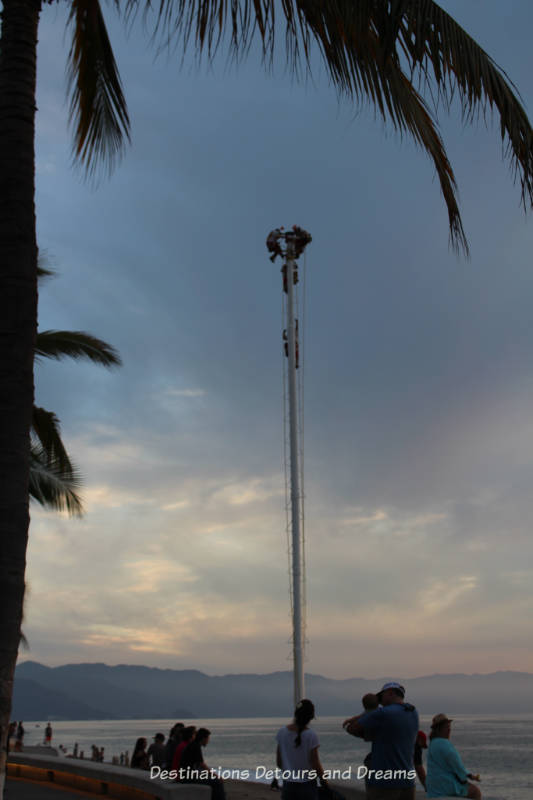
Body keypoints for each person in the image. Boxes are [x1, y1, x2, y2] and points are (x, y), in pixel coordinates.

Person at [343, 681, 418, 800]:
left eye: (381, 696)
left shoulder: (383, 713)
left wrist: (361, 715)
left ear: (390, 693)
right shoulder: (413, 712)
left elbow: (352, 728)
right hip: (407, 782)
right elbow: (391, 732)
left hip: (384, 784)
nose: (380, 701)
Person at [276, 698, 328, 800]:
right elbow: (315, 763)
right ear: (311, 717)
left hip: (288, 785)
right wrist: (324, 781)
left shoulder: (282, 732)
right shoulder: (311, 735)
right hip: (307, 785)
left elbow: (279, 762)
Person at [426, 714, 481, 799]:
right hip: (444, 785)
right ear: (438, 729)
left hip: (433, 786)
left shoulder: (433, 743)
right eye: (446, 727)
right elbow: (457, 765)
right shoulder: (444, 744)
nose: (449, 729)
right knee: (475, 792)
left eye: (449, 727)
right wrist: (470, 776)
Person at [180, 727, 225, 800]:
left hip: (186, 776)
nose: (208, 741)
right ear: (203, 738)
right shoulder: (196, 746)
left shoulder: (193, 745)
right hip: (188, 778)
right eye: (208, 739)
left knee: (212, 780)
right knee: (217, 782)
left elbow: (199, 766)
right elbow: (202, 764)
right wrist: (216, 775)